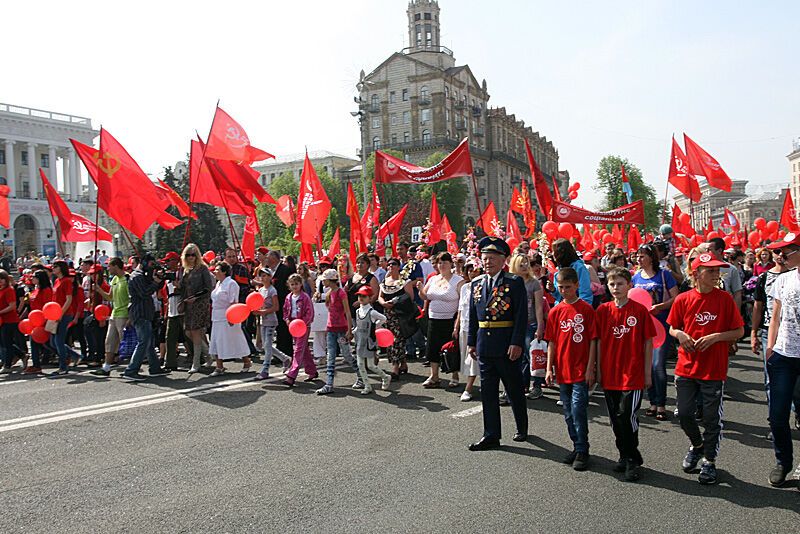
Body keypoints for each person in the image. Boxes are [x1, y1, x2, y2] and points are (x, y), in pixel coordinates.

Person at [667, 252, 744, 485]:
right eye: (709, 270)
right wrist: (680, 334)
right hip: (686, 367)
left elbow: (739, 332)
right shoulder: (683, 299)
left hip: (713, 369)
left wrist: (717, 337)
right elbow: (672, 327)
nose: (715, 274)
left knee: (711, 418)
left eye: (717, 270)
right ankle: (697, 445)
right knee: (684, 413)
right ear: (696, 273)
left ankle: (709, 461)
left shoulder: (724, 299)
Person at [467, 237, 528, 451]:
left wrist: (517, 342)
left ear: (503, 260)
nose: (487, 262)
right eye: (484, 258)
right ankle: (491, 434)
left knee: (514, 388)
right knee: (488, 392)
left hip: (506, 345)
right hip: (484, 345)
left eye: (492, 258)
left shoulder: (514, 282)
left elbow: (521, 315)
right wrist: (471, 342)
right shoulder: (476, 283)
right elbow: (473, 315)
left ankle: (522, 426)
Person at [596, 267, 655, 481]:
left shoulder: (639, 311)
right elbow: (599, 342)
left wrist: (647, 373)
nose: (616, 287)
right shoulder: (603, 311)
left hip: (633, 373)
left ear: (630, 285)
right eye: (612, 284)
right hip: (610, 373)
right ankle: (624, 453)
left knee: (625, 415)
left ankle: (632, 458)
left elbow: (648, 342)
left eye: (620, 283)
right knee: (615, 418)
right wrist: (598, 369)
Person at [544, 267, 597, 470]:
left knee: (578, 410)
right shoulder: (556, 311)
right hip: (562, 370)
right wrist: (549, 368)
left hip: (580, 370)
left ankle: (583, 449)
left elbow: (593, 340)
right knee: (567, 412)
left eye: (568, 287)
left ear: (576, 285)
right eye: (560, 287)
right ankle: (577, 445)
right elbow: (552, 342)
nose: (564, 291)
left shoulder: (586, 309)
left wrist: (591, 367)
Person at [764, 234, 800, 487]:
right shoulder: (783, 279)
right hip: (783, 356)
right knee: (777, 415)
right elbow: (775, 315)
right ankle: (783, 461)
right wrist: (770, 347)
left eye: (786, 252)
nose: (781, 258)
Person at [632, 244, 678, 421]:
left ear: (651, 257)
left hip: (661, 325)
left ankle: (661, 404)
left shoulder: (664, 275)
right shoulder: (636, 277)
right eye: (638, 255)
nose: (639, 258)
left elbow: (676, 297)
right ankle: (652, 402)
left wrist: (660, 306)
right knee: (648, 365)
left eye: (642, 255)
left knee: (658, 365)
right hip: (643, 328)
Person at [121, 255, 172, 381]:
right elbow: (144, 293)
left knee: (148, 342)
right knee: (143, 342)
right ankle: (131, 370)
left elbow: (154, 287)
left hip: (145, 312)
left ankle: (155, 368)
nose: (151, 267)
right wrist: (155, 282)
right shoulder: (137, 276)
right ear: (143, 262)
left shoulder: (143, 275)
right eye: (150, 264)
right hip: (140, 312)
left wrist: (159, 280)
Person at [419, 252, 464, 388]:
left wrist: (457, 324)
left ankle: (454, 375)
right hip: (433, 318)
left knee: (451, 348)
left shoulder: (458, 280)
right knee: (432, 347)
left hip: (450, 319)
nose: (442, 265)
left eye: (445, 262)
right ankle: (434, 376)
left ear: (451, 263)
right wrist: (421, 289)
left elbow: (463, 303)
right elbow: (425, 296)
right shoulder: (433, 279)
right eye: (439, 262)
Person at [315, 269, 356, 395]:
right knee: (330, 356)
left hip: (341, 329)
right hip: (331, 328)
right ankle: (329, 384)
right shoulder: (329, 293)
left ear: (331, 280)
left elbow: (347, 312)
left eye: (325, 280)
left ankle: (361, 377)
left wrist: (349, 330)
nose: (323, 282)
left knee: (347, 355)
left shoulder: (341, 293)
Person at [508, 254, 544, 398]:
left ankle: (537, 386)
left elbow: (539, 307)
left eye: (526, 263)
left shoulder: (534, 283)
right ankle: (522, 385)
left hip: (530, 324)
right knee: (519, 357)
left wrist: (540, 326)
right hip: (514, 325)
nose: (524, 266)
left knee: (533, 356)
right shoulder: (510, 281)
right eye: (520, 263)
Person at [208, 262, 252, 376]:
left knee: (235, 339)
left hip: (228, 316)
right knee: (217, 341)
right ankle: (219, 366)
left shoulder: (231, 284)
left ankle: (246, 361)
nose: (215, 272)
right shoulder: (218, 284)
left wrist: (232, 317)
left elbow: (233, 301)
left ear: (224, 272)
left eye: (217, 270)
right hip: (216, 317)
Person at [91, 258, 129, 377]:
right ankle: (106, 368)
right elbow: (110, 297)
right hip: (114, 314)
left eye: (109, 266)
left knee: (126, 343)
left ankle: (131, 367)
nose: (108, 269)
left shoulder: (127, 279)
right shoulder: (114, 279)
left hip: (124, 315)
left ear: (116, 266)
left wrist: (130, 317)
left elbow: (132, 298)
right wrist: (99, 290)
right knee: (109, 341)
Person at [378, 258, 415, 378]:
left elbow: (410, 297)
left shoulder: (405, 281)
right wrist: (383, 303)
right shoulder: (385, 281)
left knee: (397, 340)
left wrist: (396, 302)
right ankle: (403, 363)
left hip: (400, 314)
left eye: (393, 264)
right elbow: (380, 296)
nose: (391, 266)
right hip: (387, 314)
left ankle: (395, 368)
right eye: (388, 264)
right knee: (390, 339)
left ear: (399, 266)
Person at [352, 286, 392, 394]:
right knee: (360, 365)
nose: (361, 298)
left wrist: (376, 326)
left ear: (370, 298)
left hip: (369, 341)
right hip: (360, 341)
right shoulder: (357, 311)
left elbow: (383, 318)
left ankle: (385, 376)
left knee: (371, 365)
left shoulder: (372, 312)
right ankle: (367, 386)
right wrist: (354, 331)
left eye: (364, 296)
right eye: (359, 296)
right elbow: (358, 325)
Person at [48, 261, 83, 377]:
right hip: (55, 313)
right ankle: (74, 355)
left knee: (58, 340)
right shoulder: (57, 281)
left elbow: (69, 299)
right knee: (53, 342)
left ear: (61, 268)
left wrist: (60, 314)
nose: (53, 268)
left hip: (64, 314)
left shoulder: (67, 281)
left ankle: (63, 366)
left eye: (56, 267)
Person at [254, 268, 291, 380]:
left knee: (268, 347)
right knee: (266, 346)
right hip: (263, 321)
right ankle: (285, 359)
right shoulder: (261, 290)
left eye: (266, 275)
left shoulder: (272, 290)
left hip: (270, 321)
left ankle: (265, 370)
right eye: (262, 276)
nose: (263, 278)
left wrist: (262, 312)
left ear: (270, 277)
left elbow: (276, 307)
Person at [282, 273, 317, 386]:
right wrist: (287, 319)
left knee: (297, 350)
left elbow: (309, 312)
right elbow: (285, 311)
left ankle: (291, 375)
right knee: (303, 349)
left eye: (296, 284)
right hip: (293, 325)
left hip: (303, 326)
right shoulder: (288, 297)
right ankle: (312, 371)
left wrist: (303, 323)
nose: (294, 286)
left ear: (301, 284)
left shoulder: (304, 297)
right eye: (292, 284)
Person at [455, 260, 480, 401]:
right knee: (464, 356)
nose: (472, 273)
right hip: (464, 327)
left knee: (472, 358)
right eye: (469, 270)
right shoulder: (465, 287)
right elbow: (460, 308)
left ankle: (469, 388)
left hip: (476, 328)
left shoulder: (482, 286)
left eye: (475, 270)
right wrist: (456, 325)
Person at [21, 270, 53, 374]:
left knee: (49, 342)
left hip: (42, 319)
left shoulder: (46, 290)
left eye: (34, 277)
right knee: (34, 342)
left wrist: (45, 319)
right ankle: (36, 365)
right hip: (34, 320)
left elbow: (47, 305)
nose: (32, 278)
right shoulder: (35, 289)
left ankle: (68, 355)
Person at [266, 250, 293, 357]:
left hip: (283, 303)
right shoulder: (270, 271)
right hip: (274, 304)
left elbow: (287, 288)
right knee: (278, 329)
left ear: (274, 258)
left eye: (268, 257)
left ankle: (286, 352)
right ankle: (280, 353)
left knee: (284, 329)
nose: (267, 259)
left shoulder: (284, 270)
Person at [551, 239, 593, 306]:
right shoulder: (558, 270)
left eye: (554, 251)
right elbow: (560, 295)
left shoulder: (579, 268)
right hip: (562, 308)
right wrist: (553, 290)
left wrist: (582, 310)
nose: (552, 254)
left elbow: (585, 292)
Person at [0, 270, 22, 373]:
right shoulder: (1, 290)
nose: (0, 281)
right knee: (4, 342)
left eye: (2, 279)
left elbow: (12, 306)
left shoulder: (9, 290)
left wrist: (0, 312)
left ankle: (7, 365)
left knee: (7, 343)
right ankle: (22, 355)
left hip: (10, 320)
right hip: (2, 320)